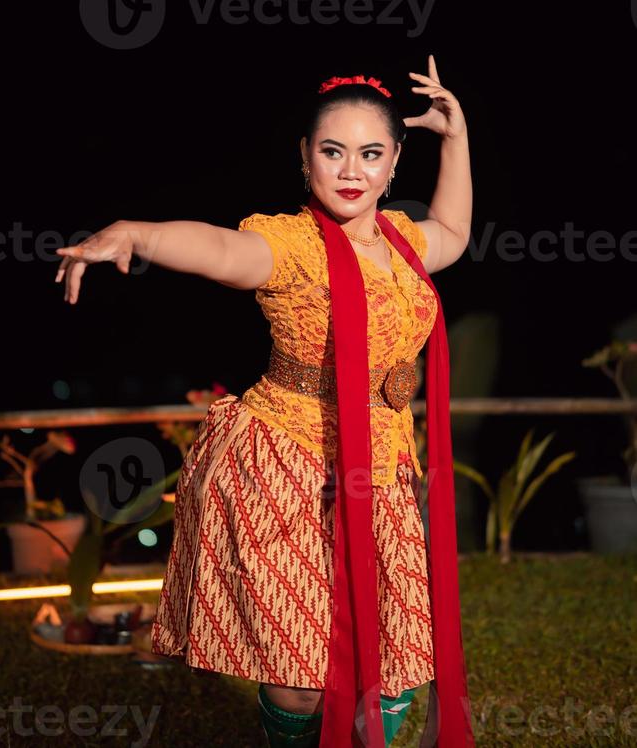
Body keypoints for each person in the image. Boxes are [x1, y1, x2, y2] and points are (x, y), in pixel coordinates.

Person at [54, 57, 475, 747]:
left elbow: (454, 234)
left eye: (370, 154)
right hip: (290, 467)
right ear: (305, 156)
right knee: (301, 676)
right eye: (332, 151)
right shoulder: (290, 243)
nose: (351, 170)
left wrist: (457, 140)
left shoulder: (402, 240)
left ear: (396, 161)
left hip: (385, 471)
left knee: (390, 671)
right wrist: (139, 232)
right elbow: (220, 248)